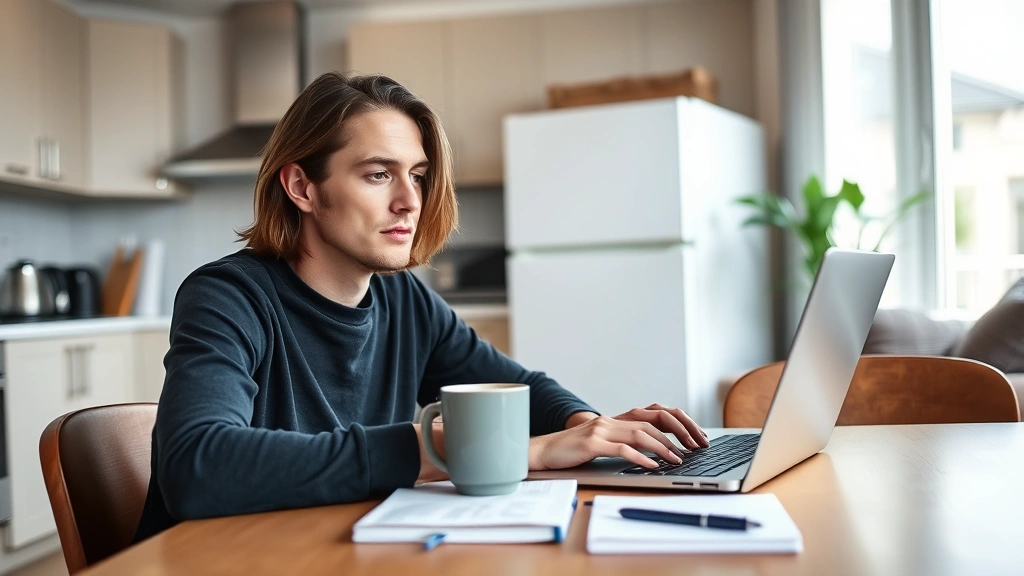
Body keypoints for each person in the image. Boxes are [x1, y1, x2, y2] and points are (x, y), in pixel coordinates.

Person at [134, 72, 708, 541]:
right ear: (302, 188)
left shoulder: (401, 297)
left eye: (418, 175)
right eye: (378, 174)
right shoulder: (228, 297)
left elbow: (512, 387)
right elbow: (197, 467)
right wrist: (449, 450)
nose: (410, 201)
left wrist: (588, 426)